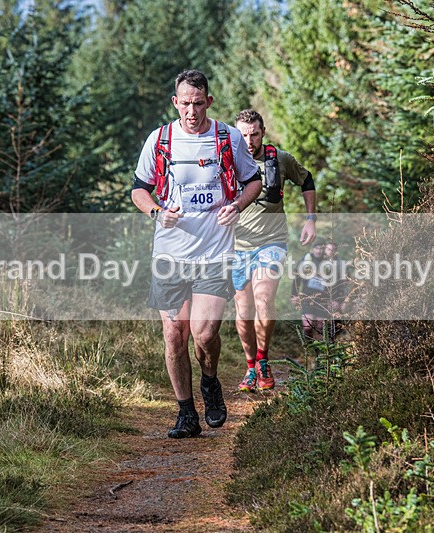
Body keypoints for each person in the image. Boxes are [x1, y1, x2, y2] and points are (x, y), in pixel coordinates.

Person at [131, 70, 262, 438]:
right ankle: (186, 413)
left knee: (204, 335)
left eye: (198, 103)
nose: (191, 111)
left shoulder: (228, 137)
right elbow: (139, 189)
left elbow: (253, 180)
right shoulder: (160, 139)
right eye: (185, 103)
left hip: (214, 251)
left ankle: (210, 382)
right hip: (170, 254)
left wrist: (237, 205)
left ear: (209, 102)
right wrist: (156, 212)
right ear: (175, 102)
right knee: (174, 334)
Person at [231, 109, 316, 392]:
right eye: (243, 135)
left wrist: (310, 220)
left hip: (272, 242)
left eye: (254, 134)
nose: (249, 140)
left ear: (263, 132)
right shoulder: (227, 160)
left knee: (264, 299)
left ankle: (263, 360)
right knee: (243, 310)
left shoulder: (279, 159)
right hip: (237, 245)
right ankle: (250, 367)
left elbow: (307, 179)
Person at [291, 240, 329, 341]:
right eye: (317, 248)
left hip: (322, 298)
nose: (319, 251)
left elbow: (333, 282)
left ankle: (321, 350)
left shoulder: (328, 262)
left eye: (321, 248)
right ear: (312, 249)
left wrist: (334, 298)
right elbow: (296, 278)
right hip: (307, 296)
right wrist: (294, 295)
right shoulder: (306, 260)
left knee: (321, 327)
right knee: (307, 326)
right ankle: (308, 349)